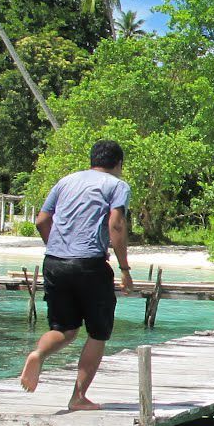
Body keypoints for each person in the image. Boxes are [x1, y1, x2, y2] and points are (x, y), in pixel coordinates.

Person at [19, 139, 136, 409]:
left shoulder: (66, 181)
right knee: (98, 332)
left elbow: (41, 221)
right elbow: (116, 224)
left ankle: (38, 353)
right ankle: (78, 397)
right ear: (118, 164)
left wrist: (58, 248)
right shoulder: (117, 185)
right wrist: (125, 269)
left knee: (64, 329)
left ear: (92, 160)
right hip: (89, 264)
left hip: (55, 262)